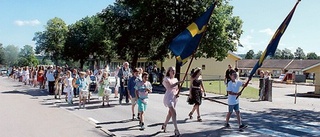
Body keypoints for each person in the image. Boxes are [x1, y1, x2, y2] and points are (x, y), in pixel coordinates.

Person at [161, 66, 183, 136]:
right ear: (169, 72)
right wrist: (178, 82)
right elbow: (170, 86)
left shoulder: (176, 79)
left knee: (170, 113)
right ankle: (176, 129)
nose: (173, 72)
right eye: (172, 70)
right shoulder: (166, 79)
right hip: (168, 97)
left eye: (174, 70)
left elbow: (176, 89)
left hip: (174, 98)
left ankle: (164, 125)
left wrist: (177, 93)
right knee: (174, 113)